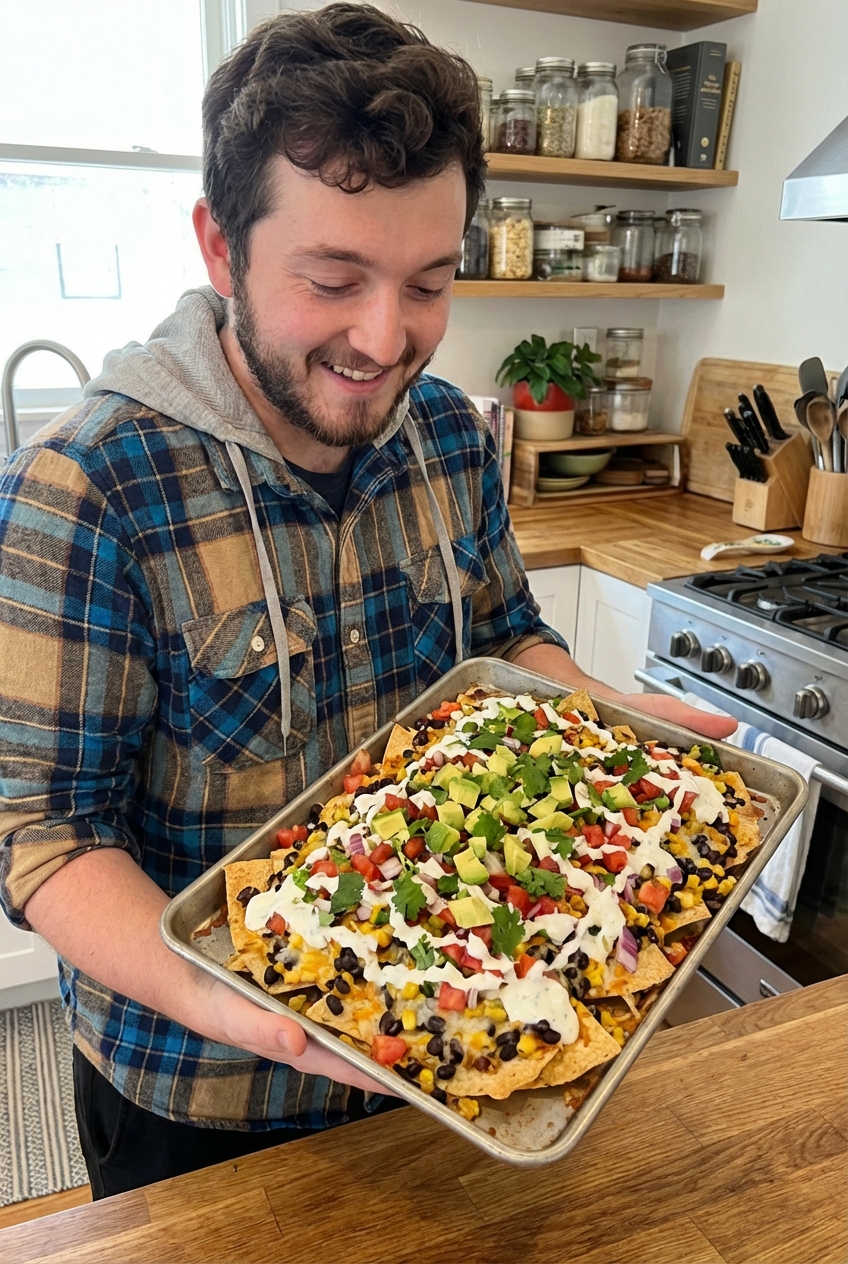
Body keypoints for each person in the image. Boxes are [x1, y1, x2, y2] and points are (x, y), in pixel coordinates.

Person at [0, 3, 734, 1199]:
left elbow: (504, 637)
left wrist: (611, 727)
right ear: (220, 247)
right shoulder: (84, 488)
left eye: (428, 284)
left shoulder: (448, 434)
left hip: (459, 1054)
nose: (385, 340)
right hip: (201, 1094)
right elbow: (44, 834)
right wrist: (233, 1001)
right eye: (333, 279)